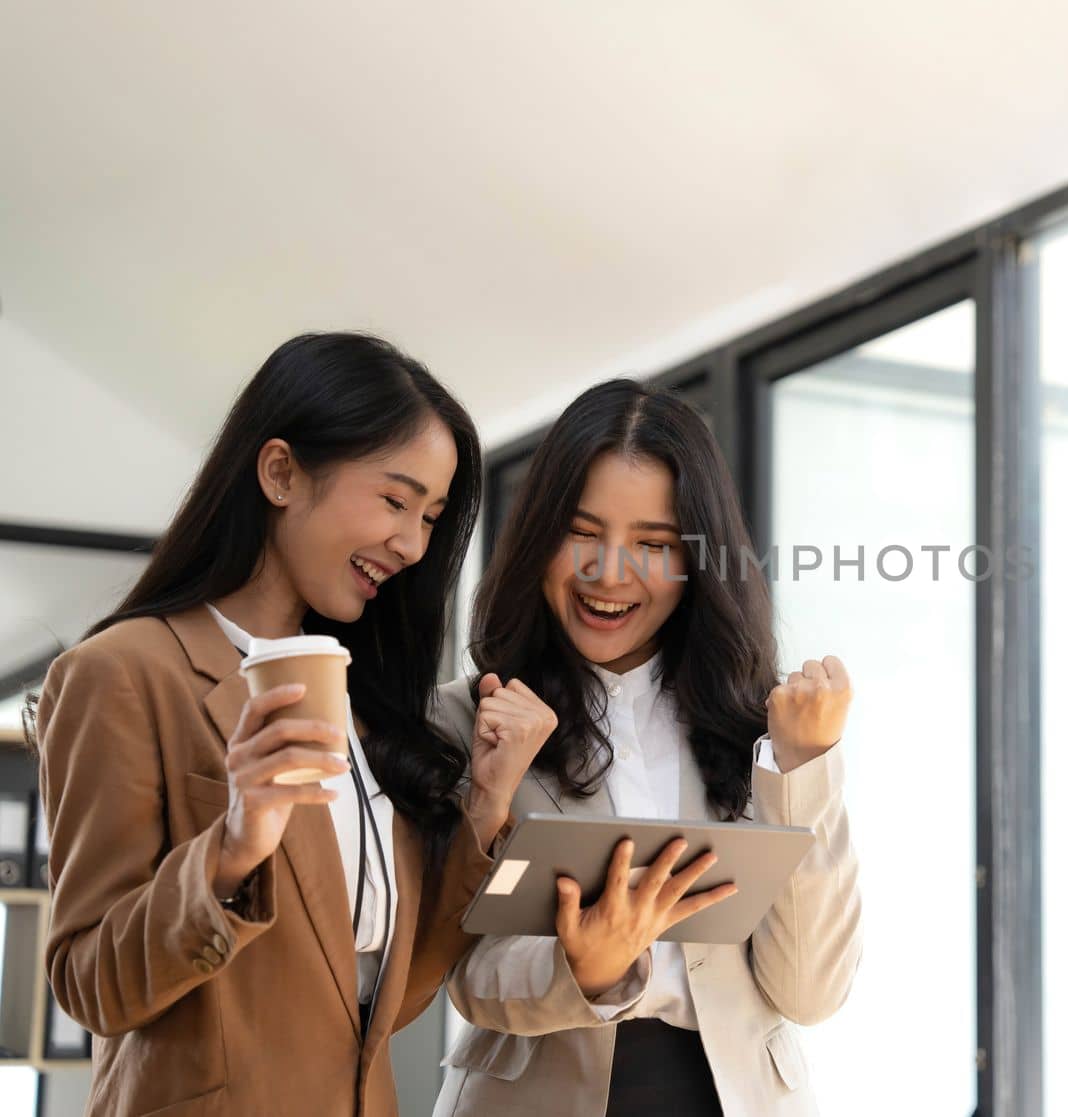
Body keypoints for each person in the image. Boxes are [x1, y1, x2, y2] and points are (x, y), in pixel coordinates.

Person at [30, 333, 553, 1116]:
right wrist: (233, 849)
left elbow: (389, 1000)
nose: (412, 544)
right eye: (394, 500)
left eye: (431, 518)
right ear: (280, 471)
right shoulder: (124, 672)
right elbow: (88, 982)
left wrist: (487, 804)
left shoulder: (363, 704)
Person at [431, 378, 863, 1116]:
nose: (609, 571)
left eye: (654, 544)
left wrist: (805, 769)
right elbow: (457, 969)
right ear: (538, 537)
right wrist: (580, 967)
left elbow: (809, 990)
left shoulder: (758, 728)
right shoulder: (467, 720)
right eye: (581, 531)